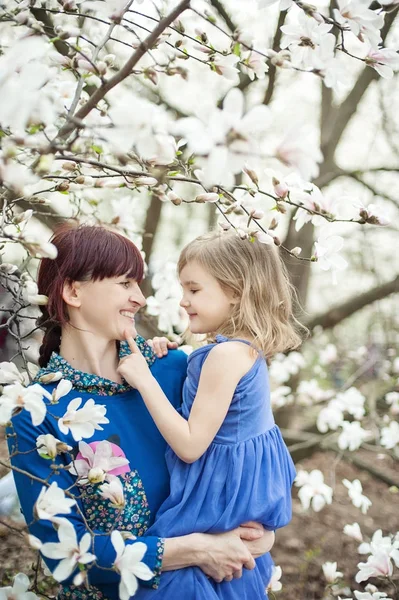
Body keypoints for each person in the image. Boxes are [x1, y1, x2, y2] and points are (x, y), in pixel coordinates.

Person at [6, 224, 274, 600]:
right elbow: (69, 559)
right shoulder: (37, 413)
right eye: (125, 283)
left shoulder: (175, 370)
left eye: (139, 284)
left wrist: (259, 531)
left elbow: (241, 462)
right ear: (72, 291)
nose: (141, 299)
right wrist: (196, 549)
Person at [118, 230, 301, 599]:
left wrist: (142, 379)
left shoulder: (224, 356)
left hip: (214, 504)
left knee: (155, 575)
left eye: (194, 290)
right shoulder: (240, 350)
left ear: (235, 292)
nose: (183, 301)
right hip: (235, 505)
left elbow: (190, 445)